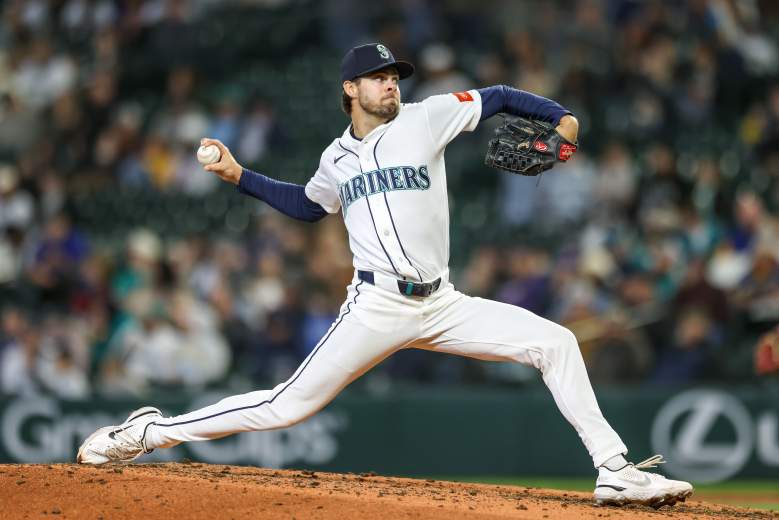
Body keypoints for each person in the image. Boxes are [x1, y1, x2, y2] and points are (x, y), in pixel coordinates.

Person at [77, 43, 693, 507]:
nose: (391, 84)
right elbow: (306, 206)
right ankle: (147, 433)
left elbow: (501, 96)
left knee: (554, 341)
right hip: (375, 307)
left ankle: (614, 469)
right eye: (378, 77)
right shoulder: (335, 157)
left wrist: (564, 122)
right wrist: (241, 177)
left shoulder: (426, 118)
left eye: (395, 76)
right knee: (284, 408)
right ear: (351, 88)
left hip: (443, 302)